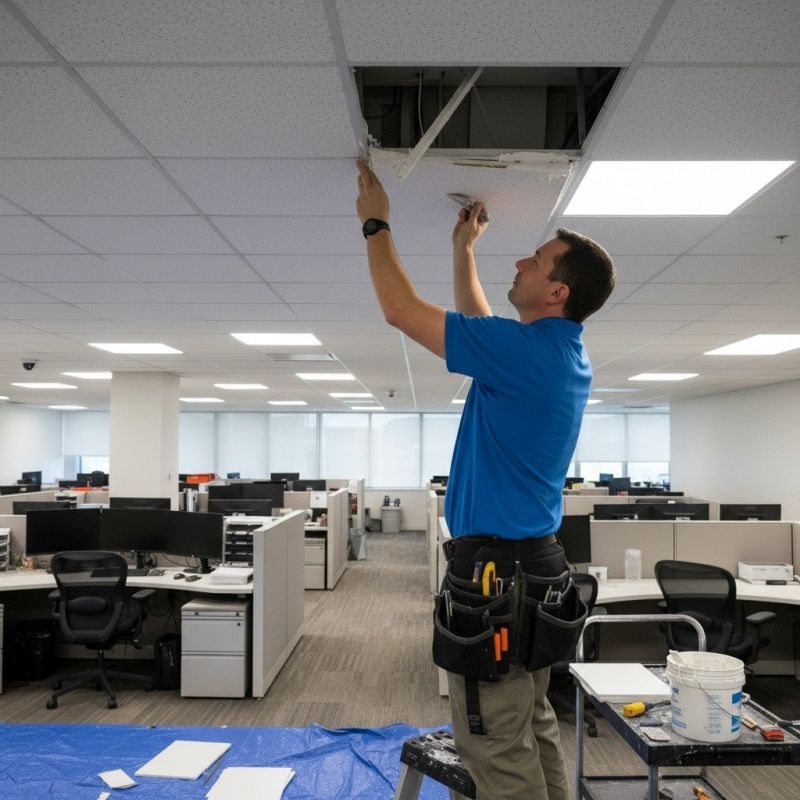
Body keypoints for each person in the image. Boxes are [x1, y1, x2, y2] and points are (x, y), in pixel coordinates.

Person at [356, 159, 615, 800]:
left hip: (498, 577)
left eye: (535, 259)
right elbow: (480, 321)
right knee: (531, 724)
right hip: (537, 569)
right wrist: (463, 248)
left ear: (558, 291)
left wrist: (375, 217)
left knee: (492, 741)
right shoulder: (557, 352)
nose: (521, 264)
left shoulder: (528, 355)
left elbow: (398, 308)